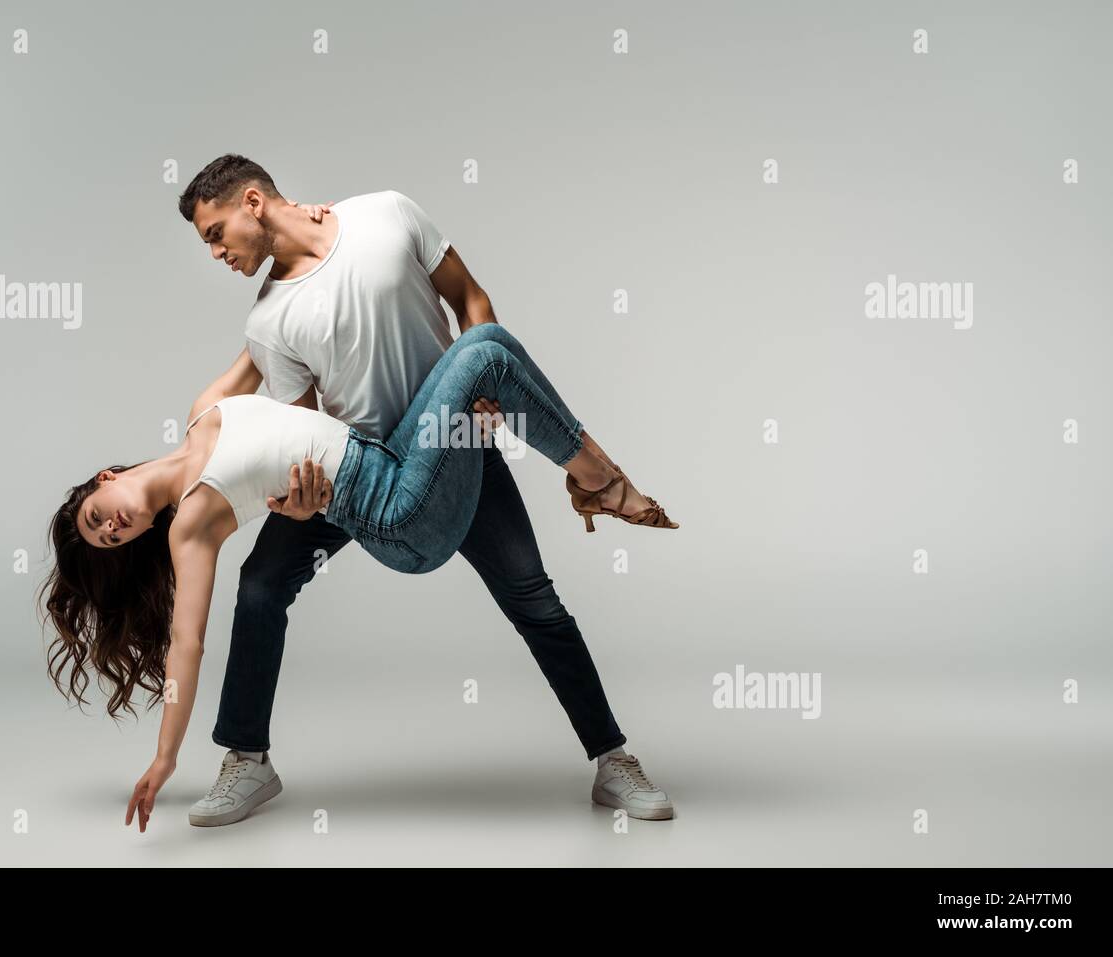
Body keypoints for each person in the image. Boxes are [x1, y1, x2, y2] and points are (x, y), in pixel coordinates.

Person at [42, 155, 679, 830]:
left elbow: (471, 301)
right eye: (209, 243)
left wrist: (486, 399)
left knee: (532, 595)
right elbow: (304, 424)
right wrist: (298, 500)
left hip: (449, 451)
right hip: (357, 471)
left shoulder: (386, 214)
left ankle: (614, 760)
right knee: (260, 582)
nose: (218, 252)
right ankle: (247, 759)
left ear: (253, 201)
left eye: (216, 232)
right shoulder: (268, 323)